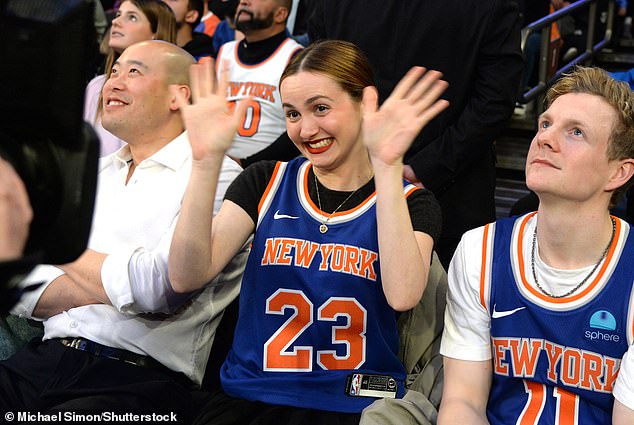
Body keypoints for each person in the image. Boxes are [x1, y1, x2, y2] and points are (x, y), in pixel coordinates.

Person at [167, 39, 447, 423]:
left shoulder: (413, 201)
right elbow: (185, 275)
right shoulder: (265, 181)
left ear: (365, 105)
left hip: (354, 407)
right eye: (292, 114)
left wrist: (387, 164)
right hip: (248, 397)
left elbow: (403, 295)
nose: (306, 128)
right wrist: (205, 161)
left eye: (321, 108)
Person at [1, 40, 244, 419]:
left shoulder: (218, 176)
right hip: (43, 360)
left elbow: (159, 287)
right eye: (114, 70)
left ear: (178, 97)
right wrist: (120, 286)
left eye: (134, 71)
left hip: (137, 380)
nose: (113, 81)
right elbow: (21, 288)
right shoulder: (92, 174)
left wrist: (63, 250)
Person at [438, 66, 634, 424]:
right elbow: (462, 402)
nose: (545, 138)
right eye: (545, 124)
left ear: (618, 173)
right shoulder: (478, 250)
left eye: (576, 132)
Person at [302, 0, 524, 269]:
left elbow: (317, 85)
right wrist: (421, 168)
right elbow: (495, 102)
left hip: (355, 186)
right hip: (444, 192)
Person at [83, 0, 177, 157]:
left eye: (132, 17)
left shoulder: (172, 89)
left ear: (155, 34)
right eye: (118, 15)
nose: (115, 21)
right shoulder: (96, 85)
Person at [216, 0, 302, 162]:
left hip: (268, 173)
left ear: (280, 14)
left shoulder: (296, 58)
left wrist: (246, 164)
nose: (243, 2)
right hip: (216, 165)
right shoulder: (225, 52)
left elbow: (302, 126)